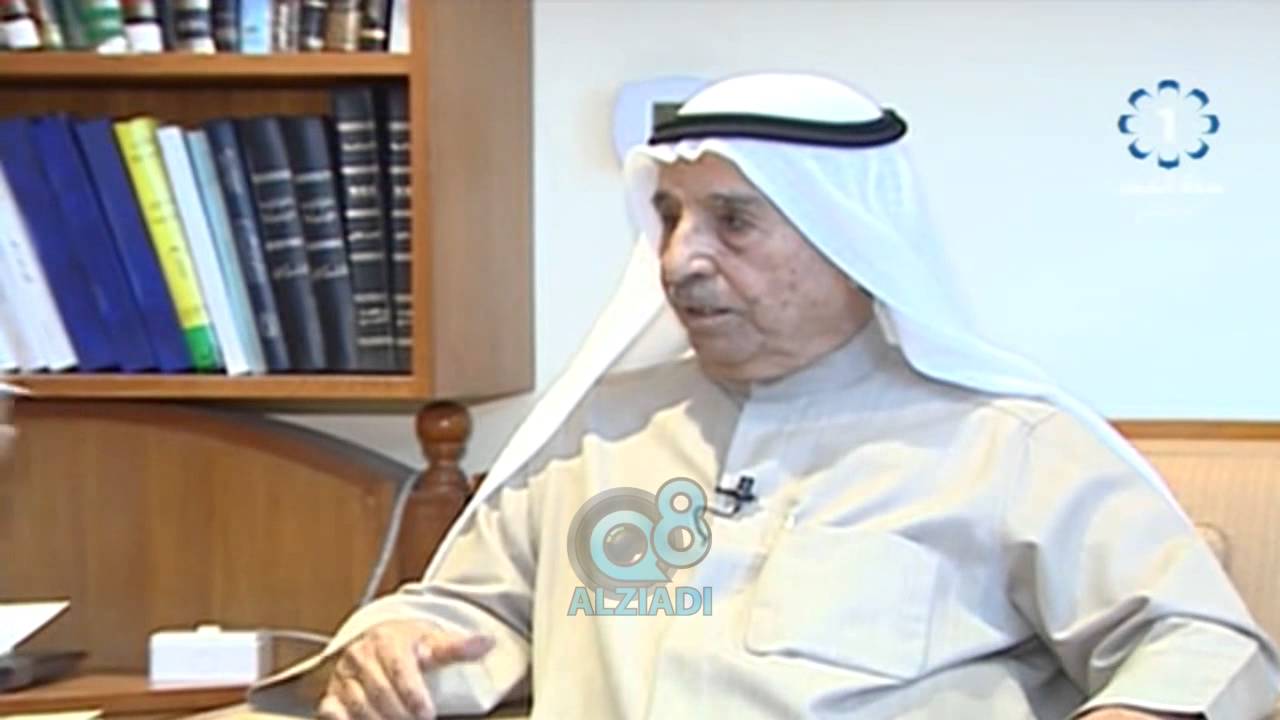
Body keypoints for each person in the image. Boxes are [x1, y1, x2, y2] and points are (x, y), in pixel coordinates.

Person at [251, 73, 1280, 719]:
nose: (679, 260)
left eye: (732, 223)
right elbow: (469, 613)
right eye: (668, 217)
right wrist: (398, 639)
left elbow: (1206, 647)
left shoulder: (1003, 442)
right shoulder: (599, 432)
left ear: (847, 240)